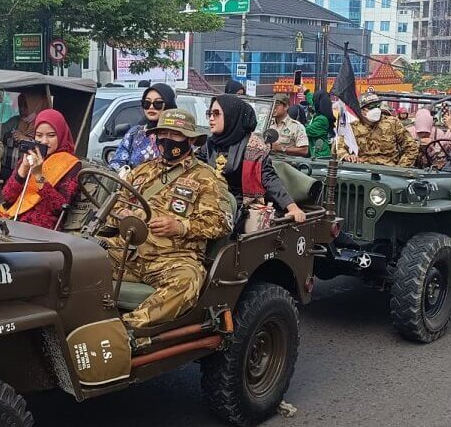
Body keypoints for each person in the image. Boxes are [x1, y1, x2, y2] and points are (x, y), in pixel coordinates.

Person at [106, 109, 231, 328]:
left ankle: (127, 329)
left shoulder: (207, 178)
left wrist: (180, 226)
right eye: (162, 134)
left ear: (190, 140)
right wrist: (121, 215)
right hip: (128, 252)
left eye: (175, 135)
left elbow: (221, 222)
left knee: (188, 281)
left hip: (173, 258)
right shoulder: (141, 171)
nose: (166, 140)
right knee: (80, 258)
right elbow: (116, 204)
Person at [200, 94, 308, 225]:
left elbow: (269, 178)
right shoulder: (209, 144)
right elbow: (193, 166)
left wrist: (292, 208)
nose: (211, 118)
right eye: (209, 113)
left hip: (238, 211)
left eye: (216, 114)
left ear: (231, 116)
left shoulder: (254, 147)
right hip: (206, 202)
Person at [0, 109, 80, 230]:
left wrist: (39, 176)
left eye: (51, 135)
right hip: (13, 219)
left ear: (61, 135)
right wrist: (23, 169)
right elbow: (7, 197)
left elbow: (59, 207)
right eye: (39, 135)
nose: (44, 141)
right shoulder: (30, 157)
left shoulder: (70, 163)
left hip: (41, 229)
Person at [334, 93, 419, 167]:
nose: (376, 109)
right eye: (371, 107)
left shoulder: (393, 123)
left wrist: (401, 168)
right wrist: (346, 156)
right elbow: (338, 147)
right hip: (362, 171)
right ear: (361, 110)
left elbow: (411, 146)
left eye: (378, 106)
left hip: (388, 171)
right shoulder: (353, 127)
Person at [110, 83, 176, 171]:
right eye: (146, 103)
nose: (151, 107)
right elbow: (116, 163)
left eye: (158, 103)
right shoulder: (134, 133)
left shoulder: (178, 134)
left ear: (169, 104)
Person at [1, 89, 52, 173]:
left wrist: (27, 140)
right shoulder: (15, 121)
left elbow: (46, 147)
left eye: (26, 106)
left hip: (31, 172)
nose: (22, 109)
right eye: (20, 105)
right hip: (7, 169)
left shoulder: (43, 124)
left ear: (36, 106)